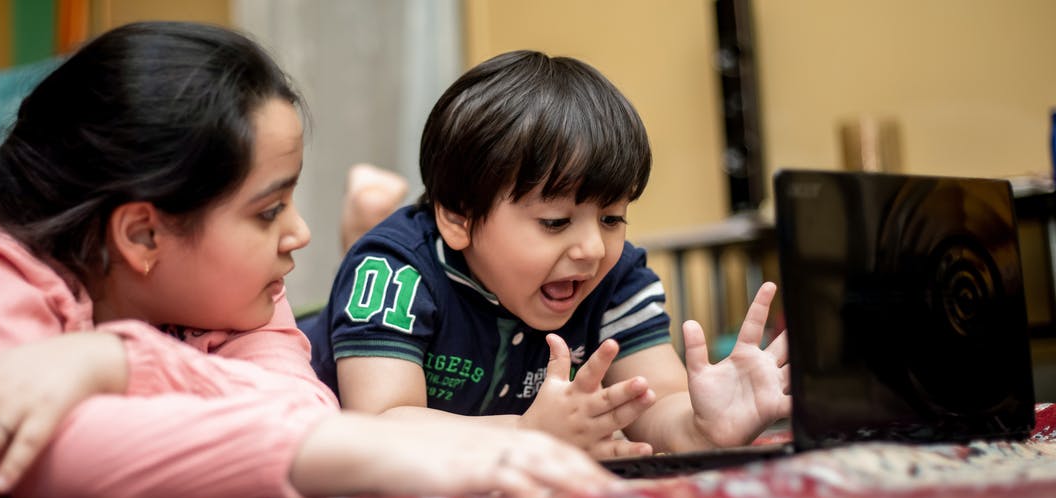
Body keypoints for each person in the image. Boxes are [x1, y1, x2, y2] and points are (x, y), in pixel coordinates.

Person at [0, 22, 619, 498]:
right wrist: (412, 453)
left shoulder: (238, 295)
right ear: (143, 236)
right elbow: (43, 460)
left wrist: (105, 359)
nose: (299, 234)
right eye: (267, 211)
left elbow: (303, 413)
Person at [303, 50, 792, 457]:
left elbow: (660, 404)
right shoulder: (393, 273)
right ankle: (366, 214)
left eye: (612, 218)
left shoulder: (617, 279)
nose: (593, 249)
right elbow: (379, 425)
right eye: (555, 222)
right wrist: (528, 435)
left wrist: (706, 424)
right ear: (458, 216)